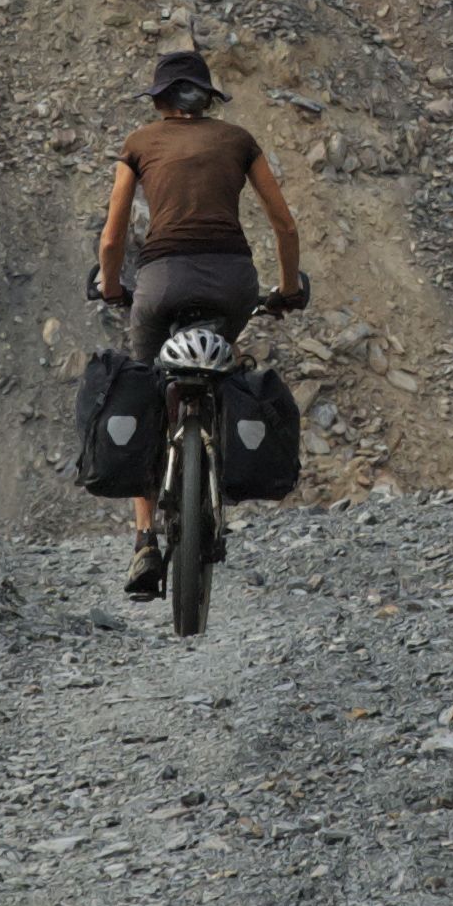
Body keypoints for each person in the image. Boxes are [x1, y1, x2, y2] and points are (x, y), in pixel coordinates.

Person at [97, 49, 306, 595]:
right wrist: (287, 290)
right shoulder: (237, 140)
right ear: (208, 99)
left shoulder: (139, 144)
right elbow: (284, 225)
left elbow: (113, 238)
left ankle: (145, 540)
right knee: (221, 367)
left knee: (146, 385)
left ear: (159, 101)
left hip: (161, 282)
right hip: (232, 282)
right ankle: (214, 460)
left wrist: (112, 286)